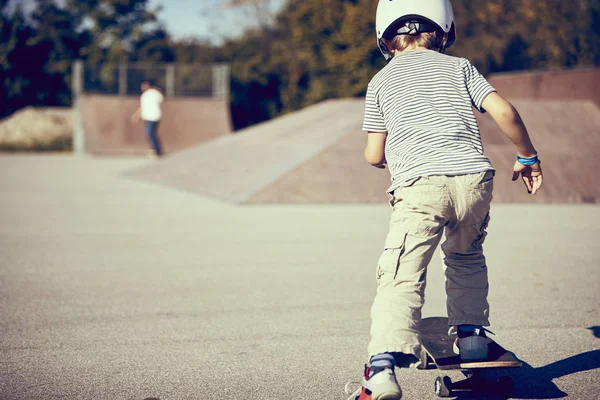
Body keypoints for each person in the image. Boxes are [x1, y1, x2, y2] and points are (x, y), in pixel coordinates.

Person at [348, 0, 543, 399]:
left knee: (401, 273)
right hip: (474, 180)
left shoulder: (381, 81)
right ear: (445, 30)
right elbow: (504, 111)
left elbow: (372, 154)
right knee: (466, 257)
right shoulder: (461, 68)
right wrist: (527, 156)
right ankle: (471, 338)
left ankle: (382, 368)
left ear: (385, 37)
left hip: (420, 186)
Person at [131, 81, 164, 157]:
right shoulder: (144, 95)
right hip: (147, 117)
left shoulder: (154, 93)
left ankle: (157, 150)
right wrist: (136, 116)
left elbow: (162, 98)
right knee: (150, 134)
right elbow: (142, 107)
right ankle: (154, 149)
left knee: (150, 133)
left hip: (154, 117)